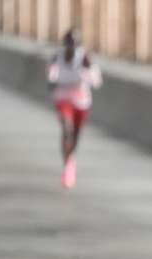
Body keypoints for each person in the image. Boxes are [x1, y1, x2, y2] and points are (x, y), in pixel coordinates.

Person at [47, 28, 102, 188]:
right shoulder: (57, 56)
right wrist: (54, 80)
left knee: (76, 135)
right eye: (68, 44)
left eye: (74, 44)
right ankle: (67, 165)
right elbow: (51, 79)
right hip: (63, 99)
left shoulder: (85, 57)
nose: (71, 48)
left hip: (81, 101)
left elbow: (97, 82)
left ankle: (71, 158)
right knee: (66, 129)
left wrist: (88, 70)